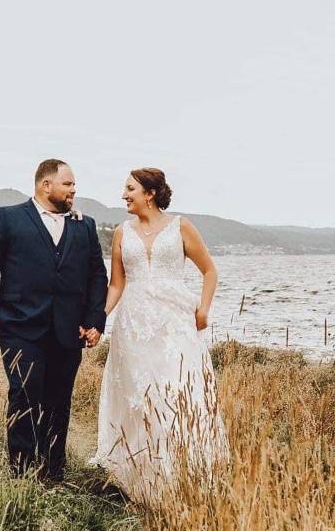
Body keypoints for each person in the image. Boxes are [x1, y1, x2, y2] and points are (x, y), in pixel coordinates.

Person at [89, 167, 228, 501]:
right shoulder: (122, 232)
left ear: (149, 193)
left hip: (173, 321)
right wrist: (99, 318)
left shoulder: (181, 226)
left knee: (176, 388)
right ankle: (139, 468)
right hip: (134, 323)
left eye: (129, 188)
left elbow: (209, 270)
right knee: (138, 393)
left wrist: (205, 309)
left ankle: (183, 467)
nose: (124, 195)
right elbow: (117, 283)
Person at [0, 159, 108, 481]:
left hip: (68, 332)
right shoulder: (8, 219)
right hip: (19, 329)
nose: (74, 189)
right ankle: (20, 474)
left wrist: (94, 321)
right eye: (68, 184)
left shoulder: (83, 226)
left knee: (58, 403)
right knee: (24, 397)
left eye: (74, 184)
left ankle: (52, 474)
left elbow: (97, 275)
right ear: (46, 185)